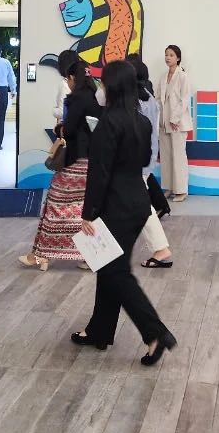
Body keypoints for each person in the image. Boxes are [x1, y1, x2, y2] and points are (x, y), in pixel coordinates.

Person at [73, 60, 177, 365]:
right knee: (108, 268)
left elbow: (100, 173)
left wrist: (88, 213)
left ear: (111, 86)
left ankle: (155, 333)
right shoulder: (141, 121)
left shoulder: (107, 122)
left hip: (114, 205)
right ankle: (99, 331)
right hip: (138, 203)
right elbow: (143, 160)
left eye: (103, 82)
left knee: (115, 272)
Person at [18, 60, 98, 270]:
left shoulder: (76, 99)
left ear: (72, 78)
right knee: (83, 209)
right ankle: (88, 255)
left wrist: (59, 129)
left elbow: (69, 130)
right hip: (92, 163)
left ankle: (41, 255)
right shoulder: (96, 97)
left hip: (74, 162)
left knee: (54, 205)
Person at [131, 57, 174, 269]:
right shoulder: (148, 98)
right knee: (136, 204)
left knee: (140, 205)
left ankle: (160, 249)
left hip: (136, 161)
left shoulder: (138, 103)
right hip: (145, 158)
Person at [155, 45, 192, 201]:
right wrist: (160, 119)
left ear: (178, 58)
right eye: (166, 55)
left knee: (178, 157)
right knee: (166, 157)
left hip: (178, 123)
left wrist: (174, 119)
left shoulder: (183, 76)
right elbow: (158, 98)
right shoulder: (163, 77)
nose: (168, 57)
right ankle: (169, 187)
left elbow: (184, 100)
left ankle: (181, 190)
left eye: (171, 55)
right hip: (164, 124)